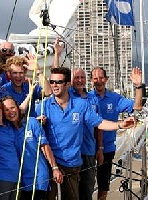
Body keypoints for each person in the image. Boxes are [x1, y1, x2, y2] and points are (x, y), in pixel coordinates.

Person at [36, 67, 136, 200]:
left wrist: (120, 124)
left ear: (67, 84)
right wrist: (37, 123)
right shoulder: (42, 107)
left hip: (72, 164)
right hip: (49, 164)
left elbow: (99, 123)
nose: (54, 85)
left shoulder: (81, 105)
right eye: (52, 81)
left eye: (59, 82)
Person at [89, 66, 143, 200]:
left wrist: (138, 86)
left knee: (103, 185)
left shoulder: (114, 98)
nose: (98, 81)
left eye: (101, 77)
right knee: (87, 186)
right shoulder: (86, 98)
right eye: (95, 78)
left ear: (106, 79)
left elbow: (137, 106)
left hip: (107, 148)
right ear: (91, 81)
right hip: (87, 148)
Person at [1, 96, 63, 200]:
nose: (10, 112)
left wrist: (54, 167)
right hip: (20, 181)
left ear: (17, 107)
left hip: (38, 178)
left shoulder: (32, 122)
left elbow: (45, 146)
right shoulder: (6, 129)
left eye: (12, 108)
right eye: (6, 110)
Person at [70, 68, 103, 200]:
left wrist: (100, 148)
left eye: (82, 77)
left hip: (88, 150)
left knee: (87, 188)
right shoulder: (68, 96)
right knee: (72, 191)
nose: (79, 80)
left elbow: (98, 125)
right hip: (72, 152)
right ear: (71, 80)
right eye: (76, 77)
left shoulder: (93, 99)